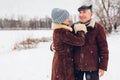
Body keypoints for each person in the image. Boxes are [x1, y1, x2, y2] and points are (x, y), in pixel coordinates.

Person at [71, 5, 109, 80]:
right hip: (76, 67)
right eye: (80, 12)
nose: (81, 15)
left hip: (92, 67)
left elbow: (104, 49)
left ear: (91, 14)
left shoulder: (98, 28)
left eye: (84, 12)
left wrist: (102, 67)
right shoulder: (74, 27)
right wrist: (53, 45)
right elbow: (65, 40)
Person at [51, 8, 87, 80]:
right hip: (64, 66)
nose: (68, 19)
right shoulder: (63, 32)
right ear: (61, 20)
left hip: (60, 63)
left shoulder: (58, 30)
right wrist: (81, 30)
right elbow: (80, 41)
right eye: (66, 17)